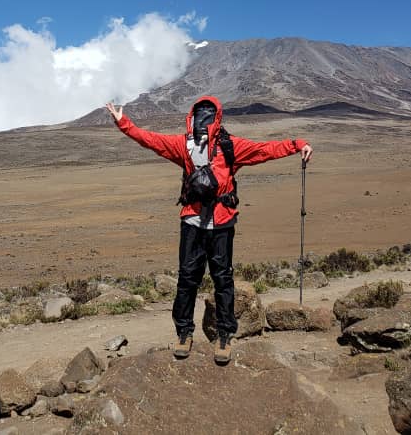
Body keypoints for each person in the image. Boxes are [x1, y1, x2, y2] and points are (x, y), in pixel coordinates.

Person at [105, 95, 311, 364]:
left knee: (222, 279)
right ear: (193, 117)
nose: (203, 119)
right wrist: (124, 123)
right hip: (192, 222)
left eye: (207, 114)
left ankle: (224, 335)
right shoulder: (183, 145)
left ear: (215, 118)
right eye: (200, 114)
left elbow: (264, 150)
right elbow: (150, 140)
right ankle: (184, 333)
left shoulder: (229, 146)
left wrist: (298, 145)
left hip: (222, 223)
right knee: (188, 279)